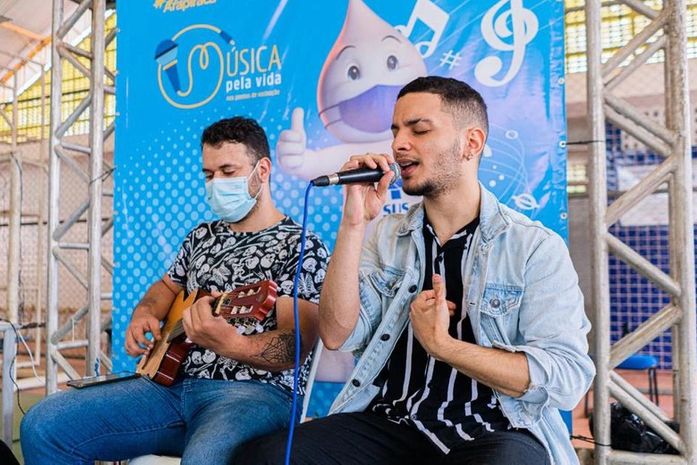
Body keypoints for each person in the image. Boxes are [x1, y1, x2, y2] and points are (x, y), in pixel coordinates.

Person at [237, 77, 595, 465]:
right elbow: (338, 333)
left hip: (494, 430)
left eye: (419, 130)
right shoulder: (387, 236)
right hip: (394, 423)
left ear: (471, 143)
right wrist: (354, 222)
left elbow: (566, 377)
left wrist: (444, 346)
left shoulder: (533, 247)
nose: (399, 144)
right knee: (268, 457)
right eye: (396, 131)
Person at [21, 117, 329, 465]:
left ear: (263, 170)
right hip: (168, 385)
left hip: (256, 393)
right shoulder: (201, 236)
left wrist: (233, 344)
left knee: (204, 458)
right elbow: (167, 287)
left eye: (228, 171)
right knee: (44, 424)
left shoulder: (302, 246)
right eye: (209, 175)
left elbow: (295, 344)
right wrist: (145, 312)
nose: (216, 183)